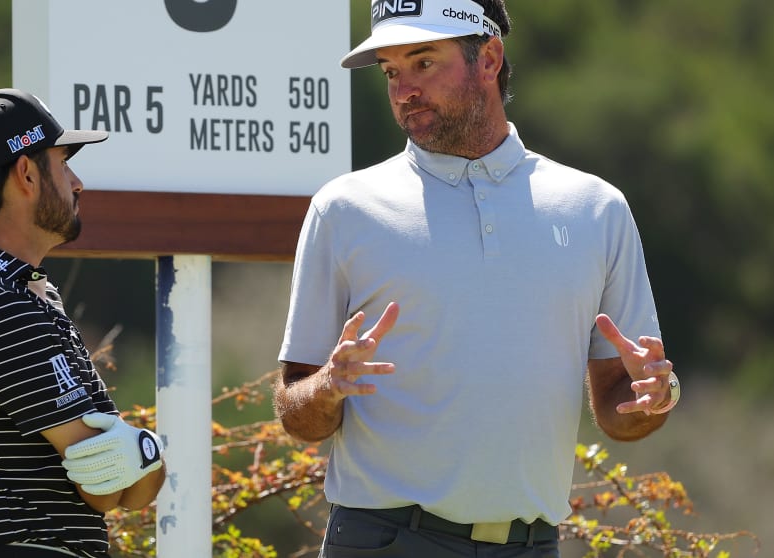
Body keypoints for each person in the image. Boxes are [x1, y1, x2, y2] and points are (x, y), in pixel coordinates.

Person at [273, 1, 680, 556]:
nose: (403, 90)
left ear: (488, 59)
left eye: (423, 63)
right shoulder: (344, 208)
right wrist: (327, 387)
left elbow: (618, 405)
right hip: (384, 539)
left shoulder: (596, 209)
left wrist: (654, 397)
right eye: (391, 71)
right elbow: (298, 410)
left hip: (533, 545)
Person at [0, 88, 166, 558]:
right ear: (26, 173)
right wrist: (147, 450)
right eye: (63, 162)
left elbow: (124, 484)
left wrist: (132, 455)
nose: (77, 183)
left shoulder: (18, 293)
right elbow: (108, 488)